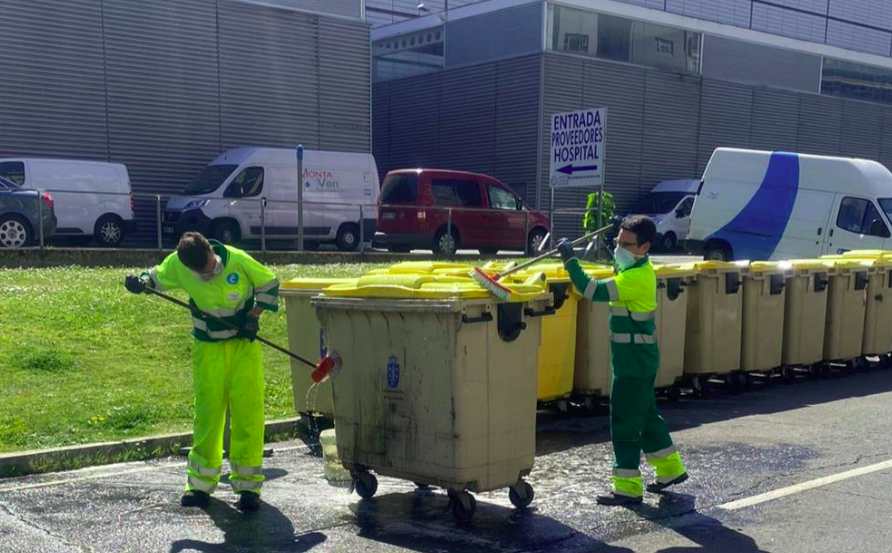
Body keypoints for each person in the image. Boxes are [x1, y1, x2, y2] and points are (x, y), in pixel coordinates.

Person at [124, 232, 279, 512]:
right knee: (208, 415)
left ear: (211, 252)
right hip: (208, 350)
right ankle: (199, 485)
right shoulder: (180, 264)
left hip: (242, 347)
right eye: (199, 273)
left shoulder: (238, 261)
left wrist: (253, 317)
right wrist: (141, 282)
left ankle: (248, 488)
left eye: (208, 268)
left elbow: (269, 283)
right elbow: (155, 276)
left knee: (248, 413)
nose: (206, 275)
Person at [557, 216, 687, 506]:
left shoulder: (635, 279)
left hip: (632, 365)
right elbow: (617, 268)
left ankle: (627, 488)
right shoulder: (639, 267)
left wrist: (570, 261)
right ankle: (670, 469)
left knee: (625, 422)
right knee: (646, 416)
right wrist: (620, 233)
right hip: (640, 361)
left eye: (625, 244)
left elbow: (592, 291)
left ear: (645, 247)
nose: (618, 248)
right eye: (617, 241)